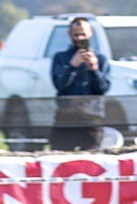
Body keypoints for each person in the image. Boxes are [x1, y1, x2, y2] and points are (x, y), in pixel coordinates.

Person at [49, 17, 111, 151]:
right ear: (70, 35)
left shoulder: (100, 59)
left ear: (90, 33)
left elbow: (102, 89)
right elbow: (59, 85)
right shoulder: (61, 58)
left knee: (92, 159)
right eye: (76, 34)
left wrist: (94, 69)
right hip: (66, 118)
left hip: (92, 118)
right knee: (61, 157)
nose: (80, 38)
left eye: (83, 34)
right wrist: (72, 66)